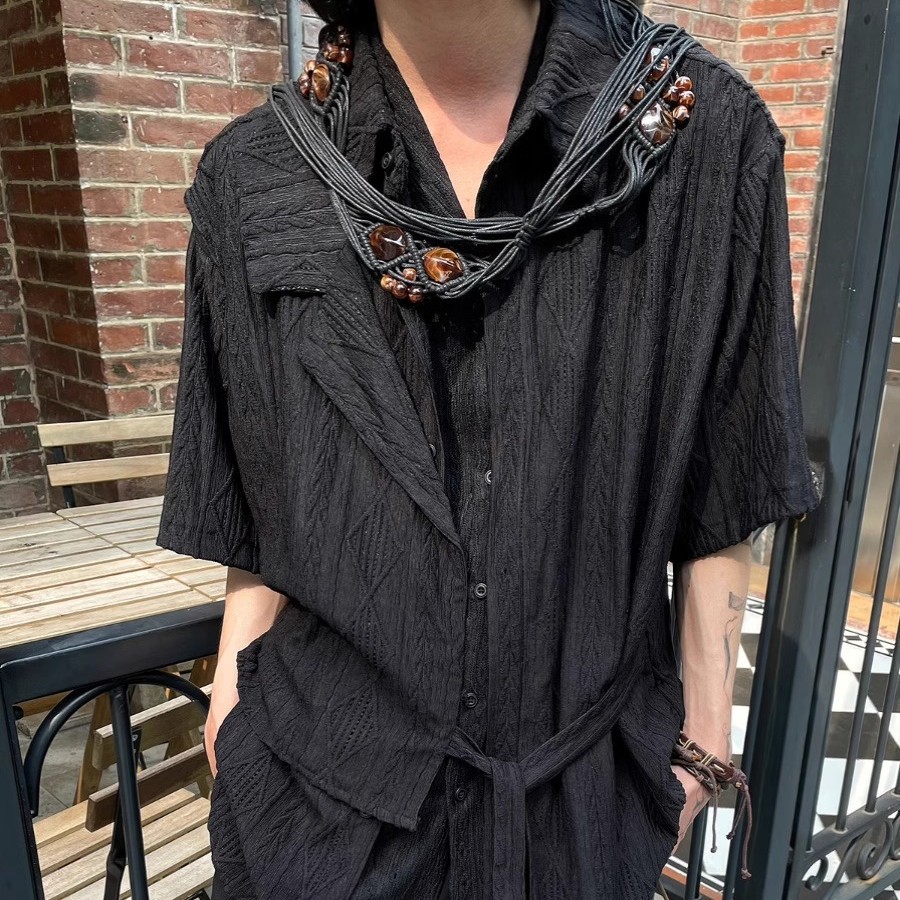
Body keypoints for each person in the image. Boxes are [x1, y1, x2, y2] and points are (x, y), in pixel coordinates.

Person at [155, 0, 823, 896]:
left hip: (582, 806)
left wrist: (705, 731)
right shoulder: (258, 170)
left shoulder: (699, 136)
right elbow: (255, 480)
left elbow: (728, 461)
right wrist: (232, 707)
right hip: (319, 805)